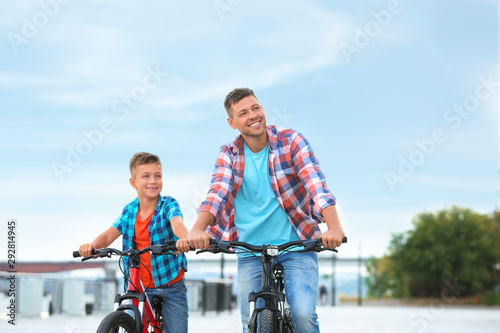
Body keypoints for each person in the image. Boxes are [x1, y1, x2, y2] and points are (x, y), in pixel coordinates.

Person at [187, 88, 345, 333]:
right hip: (250, 249)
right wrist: (198, 228)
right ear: (232, 123)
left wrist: (333, 227)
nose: (253, 115)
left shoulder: (291, 141)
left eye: (256, 108)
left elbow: (316, 184)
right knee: (248, 322)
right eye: (243, 113)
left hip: (297, 245)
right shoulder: (229, 154)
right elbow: (218, 191)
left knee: (303, 315)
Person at [78, 152, 190, 333]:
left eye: (158, 176)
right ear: (134, 183)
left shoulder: (168, 204)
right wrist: (91, 246)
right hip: (139, 285)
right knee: (134, 324)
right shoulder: (129, 211)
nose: (153, 181)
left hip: (170, 283)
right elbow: (108, 235)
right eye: (146, 176)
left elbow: (177, 223)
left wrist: (186, 239)